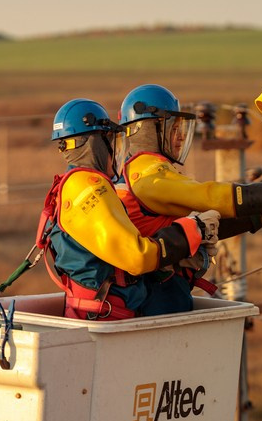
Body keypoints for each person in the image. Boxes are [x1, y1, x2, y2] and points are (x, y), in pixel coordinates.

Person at [115, 85, 262, 307]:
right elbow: (209, 197)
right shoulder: (149, 176)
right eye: (172, 128)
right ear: (149, 129)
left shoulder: (138, 172)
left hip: (158, 295)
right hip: (159, 300)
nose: (179, 137)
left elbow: (209, 219)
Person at [40, 98, 213, 320]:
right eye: (110, 139)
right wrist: (190, 231)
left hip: (107, 311)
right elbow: (136, 256)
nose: (114, 149)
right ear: (96, 143)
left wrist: (179, 256)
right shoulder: (88, 187)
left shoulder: (80, 184)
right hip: (106, 317)